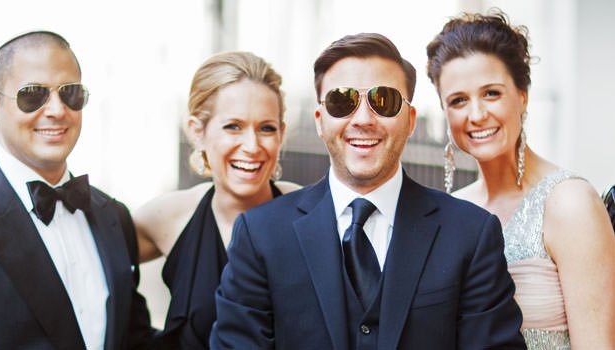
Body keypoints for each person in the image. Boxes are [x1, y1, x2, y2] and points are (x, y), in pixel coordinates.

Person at [210, 33, 525, 349]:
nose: (362, 119)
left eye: (383, 101)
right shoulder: (260, 234)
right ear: (320, 121)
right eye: (341, 101)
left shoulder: (471, 233)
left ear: (410, 120)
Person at [0, 31, 154, 349]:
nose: (56, 110)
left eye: (70, 93)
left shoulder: (113, 215)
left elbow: (134, 340)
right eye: (33, 94)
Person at [426, 11, 615, 349]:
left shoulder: (569, 203)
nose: (476, 114)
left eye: (491, 93)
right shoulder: (452, 211)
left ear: (522, 95)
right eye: (458, 100)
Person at [133, 51, 299, 349]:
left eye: (266, 128)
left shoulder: (309, 213)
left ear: (281, 133)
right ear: (197, 132)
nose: (252, 146)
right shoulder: (168, 217)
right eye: (233, 126)